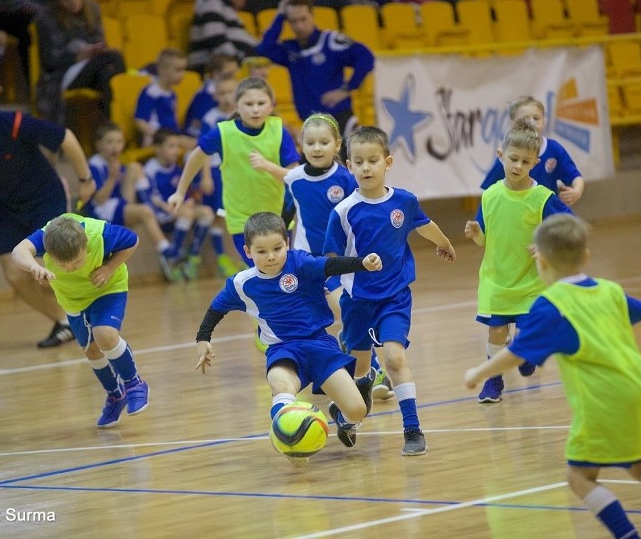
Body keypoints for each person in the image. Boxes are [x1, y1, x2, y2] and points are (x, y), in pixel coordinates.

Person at [464, 214, 641, 539]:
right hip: (640, 389)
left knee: (579, 477)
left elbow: (517, 355)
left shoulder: (551, 305)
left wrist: (478, 372)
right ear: (585, 256)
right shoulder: (608, 290)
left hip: (603, 400)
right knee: (639, 464)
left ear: (540, 261)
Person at [194, 211, 383, 464]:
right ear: (247, 252)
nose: (271, 256)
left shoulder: (300, 263)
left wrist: (362, 263)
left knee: (358, 409)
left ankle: (343, 418)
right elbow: (216, 308)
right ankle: (290, 442)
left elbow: (329, 265)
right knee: (282, 387)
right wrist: (203, 338)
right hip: (283, 350)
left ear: (288, 244)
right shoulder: (242, 283)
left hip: (320, 345)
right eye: (261, 252)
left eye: (277, 248)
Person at [323, 125, 457, 456]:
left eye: (372, 160)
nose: (366, 167)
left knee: (395, 358)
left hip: (395, 296)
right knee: (360, 366)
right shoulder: (343, 212)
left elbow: (424, 225)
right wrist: (357, 265)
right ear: (349, 166)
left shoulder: (404, 201)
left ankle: (412, 429)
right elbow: (330, 259)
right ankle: (359, 396)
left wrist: (445, 243)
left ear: (388, 162)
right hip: (357, 301)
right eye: (358, 162)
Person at [0, 76, 96, 348]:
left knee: (51, 274)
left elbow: (65, 138)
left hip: (45, 199)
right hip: (7, 207)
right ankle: (65, 322)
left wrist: (85, 179)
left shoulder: (12, 123)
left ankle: (95, 305)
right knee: (16, 276)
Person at [282, 113, 393, 401]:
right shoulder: (293, 179)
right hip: (308, 260)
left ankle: (371, 369)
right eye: (310, 142)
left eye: (323, 142)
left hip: (341, 260)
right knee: (319, 319)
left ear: (337, 145)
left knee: (346, 314)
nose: (317, 148)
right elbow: (288, 214)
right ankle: (345, 372)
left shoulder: (346, 177)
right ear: (300, 145)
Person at [464, 118, 574, 403]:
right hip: (497, 279)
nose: (517, 166)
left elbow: (568, 227)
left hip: (531, 282)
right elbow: (485, 238)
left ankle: (526, 352)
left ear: (535, 164)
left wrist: (546, 247)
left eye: (525, 162)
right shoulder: (490, 196)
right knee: (497, 331)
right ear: (501, 156)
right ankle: (493, 381)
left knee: (527, 337)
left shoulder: (542, 198)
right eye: (513, 159)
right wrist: (476, 233)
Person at [11, 214, 150, 428]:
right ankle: (115, 395)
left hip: (107, 287)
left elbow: (132, 240)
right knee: (91, 350)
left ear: (85, 243)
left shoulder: (100, 234)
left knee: (104, 334)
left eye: (77, 261)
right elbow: (19, 251)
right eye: (63, 265)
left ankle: (134, 384)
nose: (71, 268)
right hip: (73, 299)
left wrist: (109, 268)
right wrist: (33, 266)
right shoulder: (48, 237)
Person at [167, 76, 300, 268]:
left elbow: (293, 176)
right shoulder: (223, 132)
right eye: (249, 103)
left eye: (261, 103)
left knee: (282, 271)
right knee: (261, 270)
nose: (255, 109)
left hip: (278, 216)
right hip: (241, 218)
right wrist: (180, 192)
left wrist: (267, 166)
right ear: (236, 105)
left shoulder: (278, 130)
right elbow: (196, 157)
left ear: (271, 105)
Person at [257, 0, 374, 152]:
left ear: (312, 16)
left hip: (339, 120)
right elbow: (265, 48)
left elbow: (366, 57)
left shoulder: (331, 41)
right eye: (293, 21)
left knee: (351, 170)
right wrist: (280, 16)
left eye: (303, 19)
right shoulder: (291, 50)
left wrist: (347, 88)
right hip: (310, 125)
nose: (299, 26)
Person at [84, 122, 184, 283]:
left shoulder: (117, 162)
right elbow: (99, 200)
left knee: (135, 168)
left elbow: (125, 199)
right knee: (145, 211)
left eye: (119, 141)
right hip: (102, 210)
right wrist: (112, 178)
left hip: (118, 205)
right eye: (109, 142)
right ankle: (166, 249)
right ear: (98, 144)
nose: (115, 146)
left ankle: (153, 210)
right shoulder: (95, 165)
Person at [34, 0, 125, 124]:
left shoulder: (92, 9)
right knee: (114, 57)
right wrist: (78, 57)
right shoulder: (46, 20)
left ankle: (108, 128)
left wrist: (96, 50)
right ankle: (114, 127)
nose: (72, 1)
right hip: (62, 75)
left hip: (92, 66)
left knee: (107, 74)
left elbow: (99, 41)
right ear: (57, 1)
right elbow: (49, 62)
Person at [137, 128, 215, 281]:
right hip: (161, 213)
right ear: (158, 149)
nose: (176, 151)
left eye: (178, 146)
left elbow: (185, 191)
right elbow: (151, 196)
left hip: (178, 210)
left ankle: (193, 256)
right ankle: (172, 255)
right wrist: (169, 207)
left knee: (207, 212)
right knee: (187, 213)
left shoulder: (177, 167)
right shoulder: (150, 169)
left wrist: (190, 200)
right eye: (171, 146)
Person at [480, 96, 586, 206]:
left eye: (536, 118)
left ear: (544, 122)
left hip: (546, 213)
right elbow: (488, 193)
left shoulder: (554, 149)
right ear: (512, 124)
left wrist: (576, 191)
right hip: (517, 215)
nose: (531, 122)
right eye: (525, 119)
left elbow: (575, 176)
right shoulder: (508, 156)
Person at [188, 76, 244, 279]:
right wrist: (206, 177)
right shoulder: (211, 117)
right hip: (216, 172)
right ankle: (219, 258)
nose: (227, 97)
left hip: (235, 174)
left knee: (226, 216)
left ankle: (229, 257)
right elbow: (202, 150)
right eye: (222, 93)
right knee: (218, 215)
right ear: (214, 95)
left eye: (231, 92)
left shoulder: (242, 115)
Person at [188, 0, 259, 75]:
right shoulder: (213, 0)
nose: (245, 0)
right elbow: (215, 39)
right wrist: (240, 59)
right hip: (214, 66)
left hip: (230, 64)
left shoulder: (227, 8)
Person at [134, 48, 193, 149]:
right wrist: (158, 135)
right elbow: (140, 120)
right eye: (178, 70)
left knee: (198, 144)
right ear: (163, 69)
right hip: (156, 139)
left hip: (171, 136)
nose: (182, 74)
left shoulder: (172, 94)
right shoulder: (151, 92)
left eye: (184, 69)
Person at [182, 53, 240, 140]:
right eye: (229, 74)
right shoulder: (205, 95)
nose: (232, 77)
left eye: (235, 73)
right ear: (215, 73)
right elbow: (197, 125)